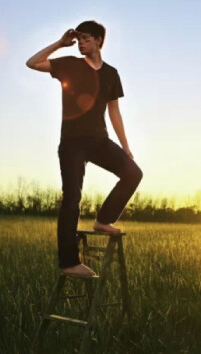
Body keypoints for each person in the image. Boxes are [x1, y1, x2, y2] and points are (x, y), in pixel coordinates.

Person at [26, 21, 143, 278]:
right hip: (72, 142)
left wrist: (125, 146)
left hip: (99, 141)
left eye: (86, 39)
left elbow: (114, 111)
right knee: (72, 198)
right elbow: (32, 63)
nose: (81, 43)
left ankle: (103, 220)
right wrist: (59, 43)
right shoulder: (69, 65)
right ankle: (69, 262)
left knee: (134, 173)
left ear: (99, 41)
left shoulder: (111, 74)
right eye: (79, 39)